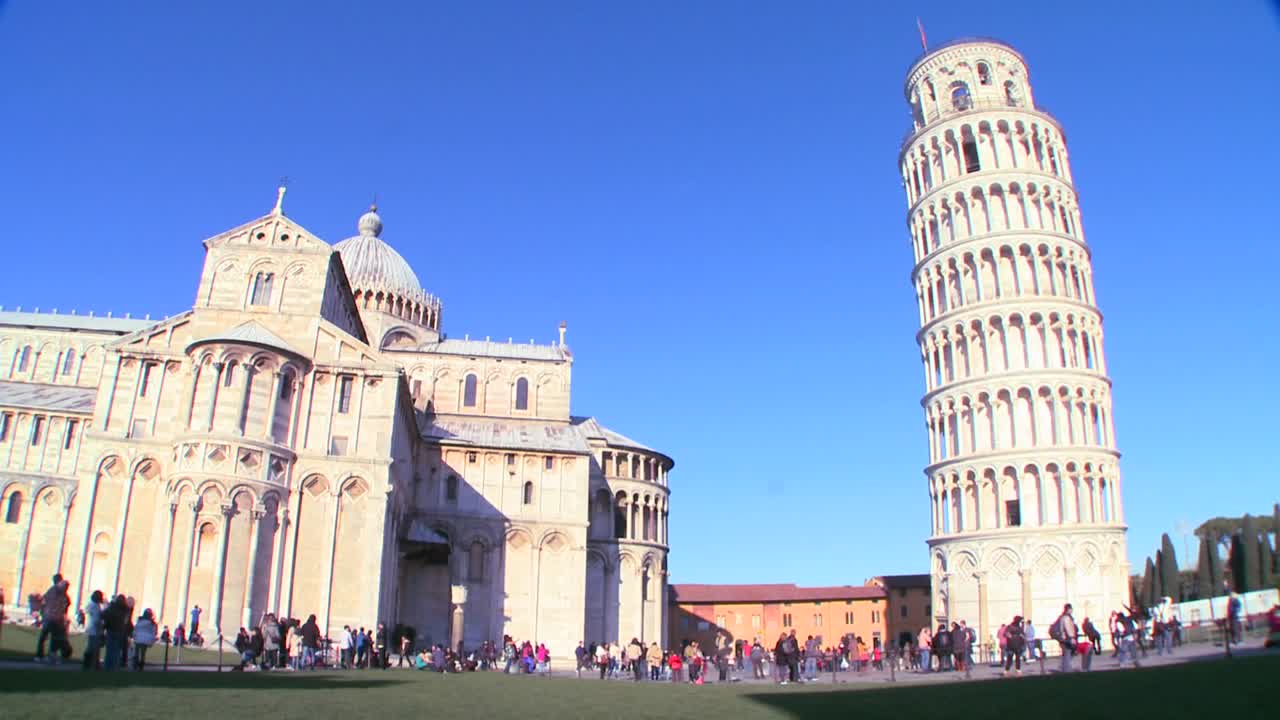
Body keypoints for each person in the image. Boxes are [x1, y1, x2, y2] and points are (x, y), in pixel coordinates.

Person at [34, 574, 71, 664]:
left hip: (49, 617)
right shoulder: (62, 593)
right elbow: (67, 603)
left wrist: (42, 612)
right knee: (55, 638)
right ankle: (51, 656)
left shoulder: (52, 590)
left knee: (44, 637)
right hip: (56, 618)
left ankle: (40, 655)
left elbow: (43, 601)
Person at [81, 590, 105, 670]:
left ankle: (90, 664)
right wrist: (100, 628)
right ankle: (92, 664)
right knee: (93, 648)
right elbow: (96, 620)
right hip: (94, 629)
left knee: (92, 647)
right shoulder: (95, 606)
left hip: (91, 628)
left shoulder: (92, 605)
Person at [1052, 603, 1078, 673]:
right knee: (1067, 653)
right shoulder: (1066, 618)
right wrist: (1071, 638)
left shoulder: (1063, 617)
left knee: (1066, 653)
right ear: (1068, 609)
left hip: (1063, 639)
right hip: (1066, 639)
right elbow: (1068, 629)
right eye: (1071, 609)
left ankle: (1064, 668)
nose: (1072, 610)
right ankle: (1066, 670)